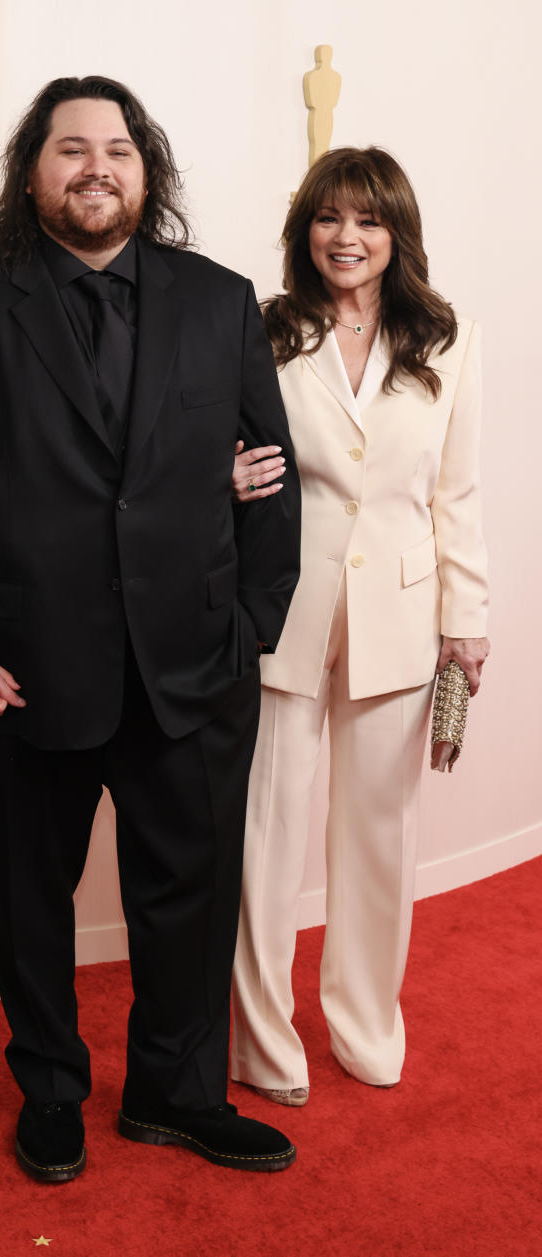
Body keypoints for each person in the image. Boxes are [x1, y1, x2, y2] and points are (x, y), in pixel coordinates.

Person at [0, 76, 301, 1181]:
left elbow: (269, 480)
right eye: (70, 148)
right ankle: (51, 1091)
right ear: (32, 172)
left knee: (190, 895)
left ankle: (178, 1094)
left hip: (193, 669)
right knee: (30, 899)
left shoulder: (221, 301)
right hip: (20, 676)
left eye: (118, 149)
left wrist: (251, 629)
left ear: (147, 168)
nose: (97, 167)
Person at [229, 147, 489, 1105]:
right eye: (330, 218)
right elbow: (218, 445)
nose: (348, 237)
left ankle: (366, 1021)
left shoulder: (446, 338)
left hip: (404, 616)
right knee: (264, 833)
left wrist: (468, 616)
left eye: (368, 221)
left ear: (396, 234)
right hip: (281, 610)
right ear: (307, 229)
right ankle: (261, 1038)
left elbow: (455, 491)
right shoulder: (262, 330)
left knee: (381, 835)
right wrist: (221, 476)